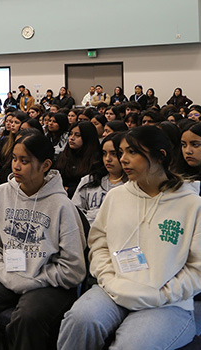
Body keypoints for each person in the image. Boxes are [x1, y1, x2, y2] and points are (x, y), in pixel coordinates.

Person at [58, 125, 201, 350]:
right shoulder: (117, 196)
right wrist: (107, 278)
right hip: (114, 289)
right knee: (80, 321)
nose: (123, 159)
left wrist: (161, 294)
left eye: (132, 152)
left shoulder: (191, 203)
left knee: (132, 345)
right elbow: (99, 243)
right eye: (122, 152)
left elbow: (197, 268)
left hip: (166, 302)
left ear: (160, 156)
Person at [0, 129, 86, 350]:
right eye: (14, 159)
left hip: (48, 283)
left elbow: (74, 269)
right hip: (8, 273)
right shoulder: (1, 193)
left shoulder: (63, 206)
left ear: (45, 165)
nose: (16, 166)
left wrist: (35, 279)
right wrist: (3, 271)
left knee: (28, 317)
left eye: (25, 161)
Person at [72, 132, 126, 224]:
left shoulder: (133, 185)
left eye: (113, 154)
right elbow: (74, 212)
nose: (108, 159)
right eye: (104, 153)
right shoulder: (89, 180)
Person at [56, 121, 101, 198]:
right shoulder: (64, 155)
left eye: (77, 135)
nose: (72, 138)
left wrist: (69, 190)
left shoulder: (96, 159)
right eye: (70, 134)